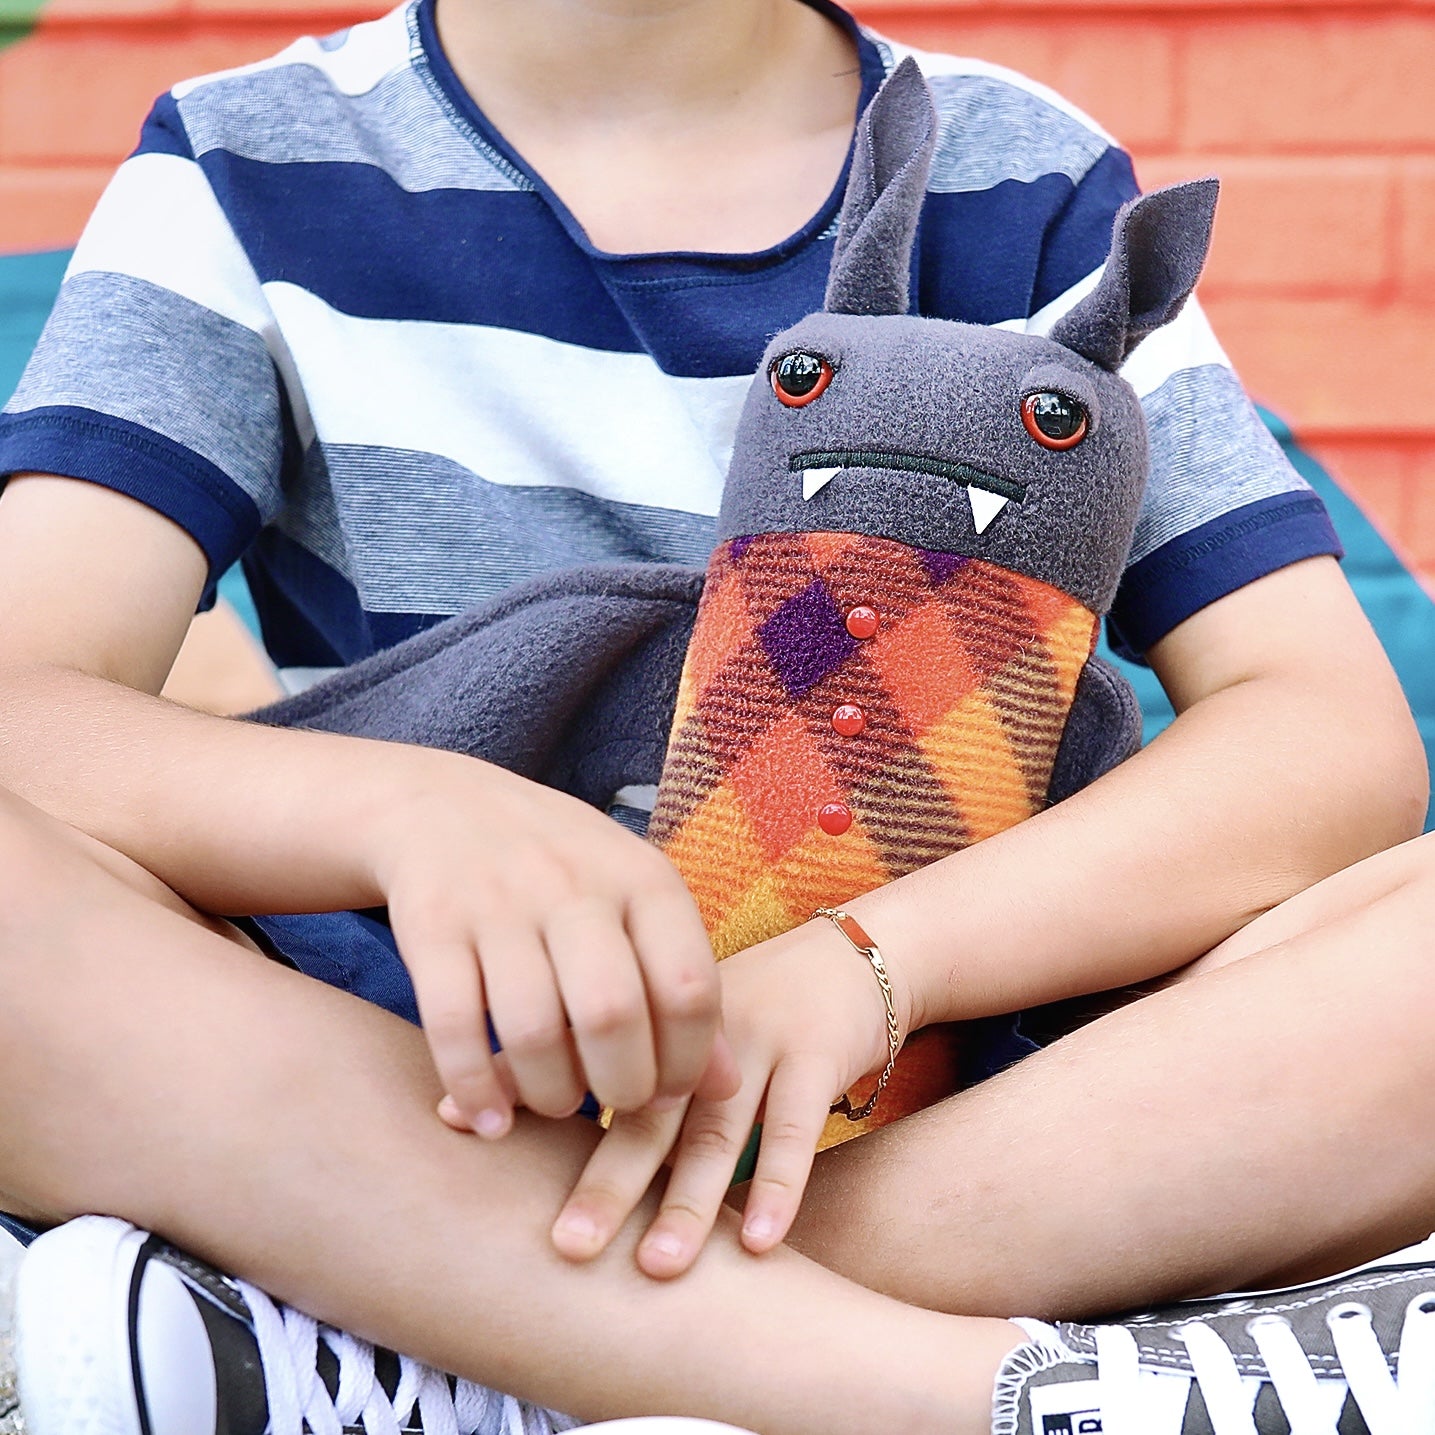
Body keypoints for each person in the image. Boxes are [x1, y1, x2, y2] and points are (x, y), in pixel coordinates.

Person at [0, 0, 1429, 1431]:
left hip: (946, 1095)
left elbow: (1327, 737)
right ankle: (989, 1391)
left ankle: (439, 1340)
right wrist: (405, 812)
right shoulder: (238, 166)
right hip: (410, 1075)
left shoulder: (1025, 178)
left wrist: (874, 966)